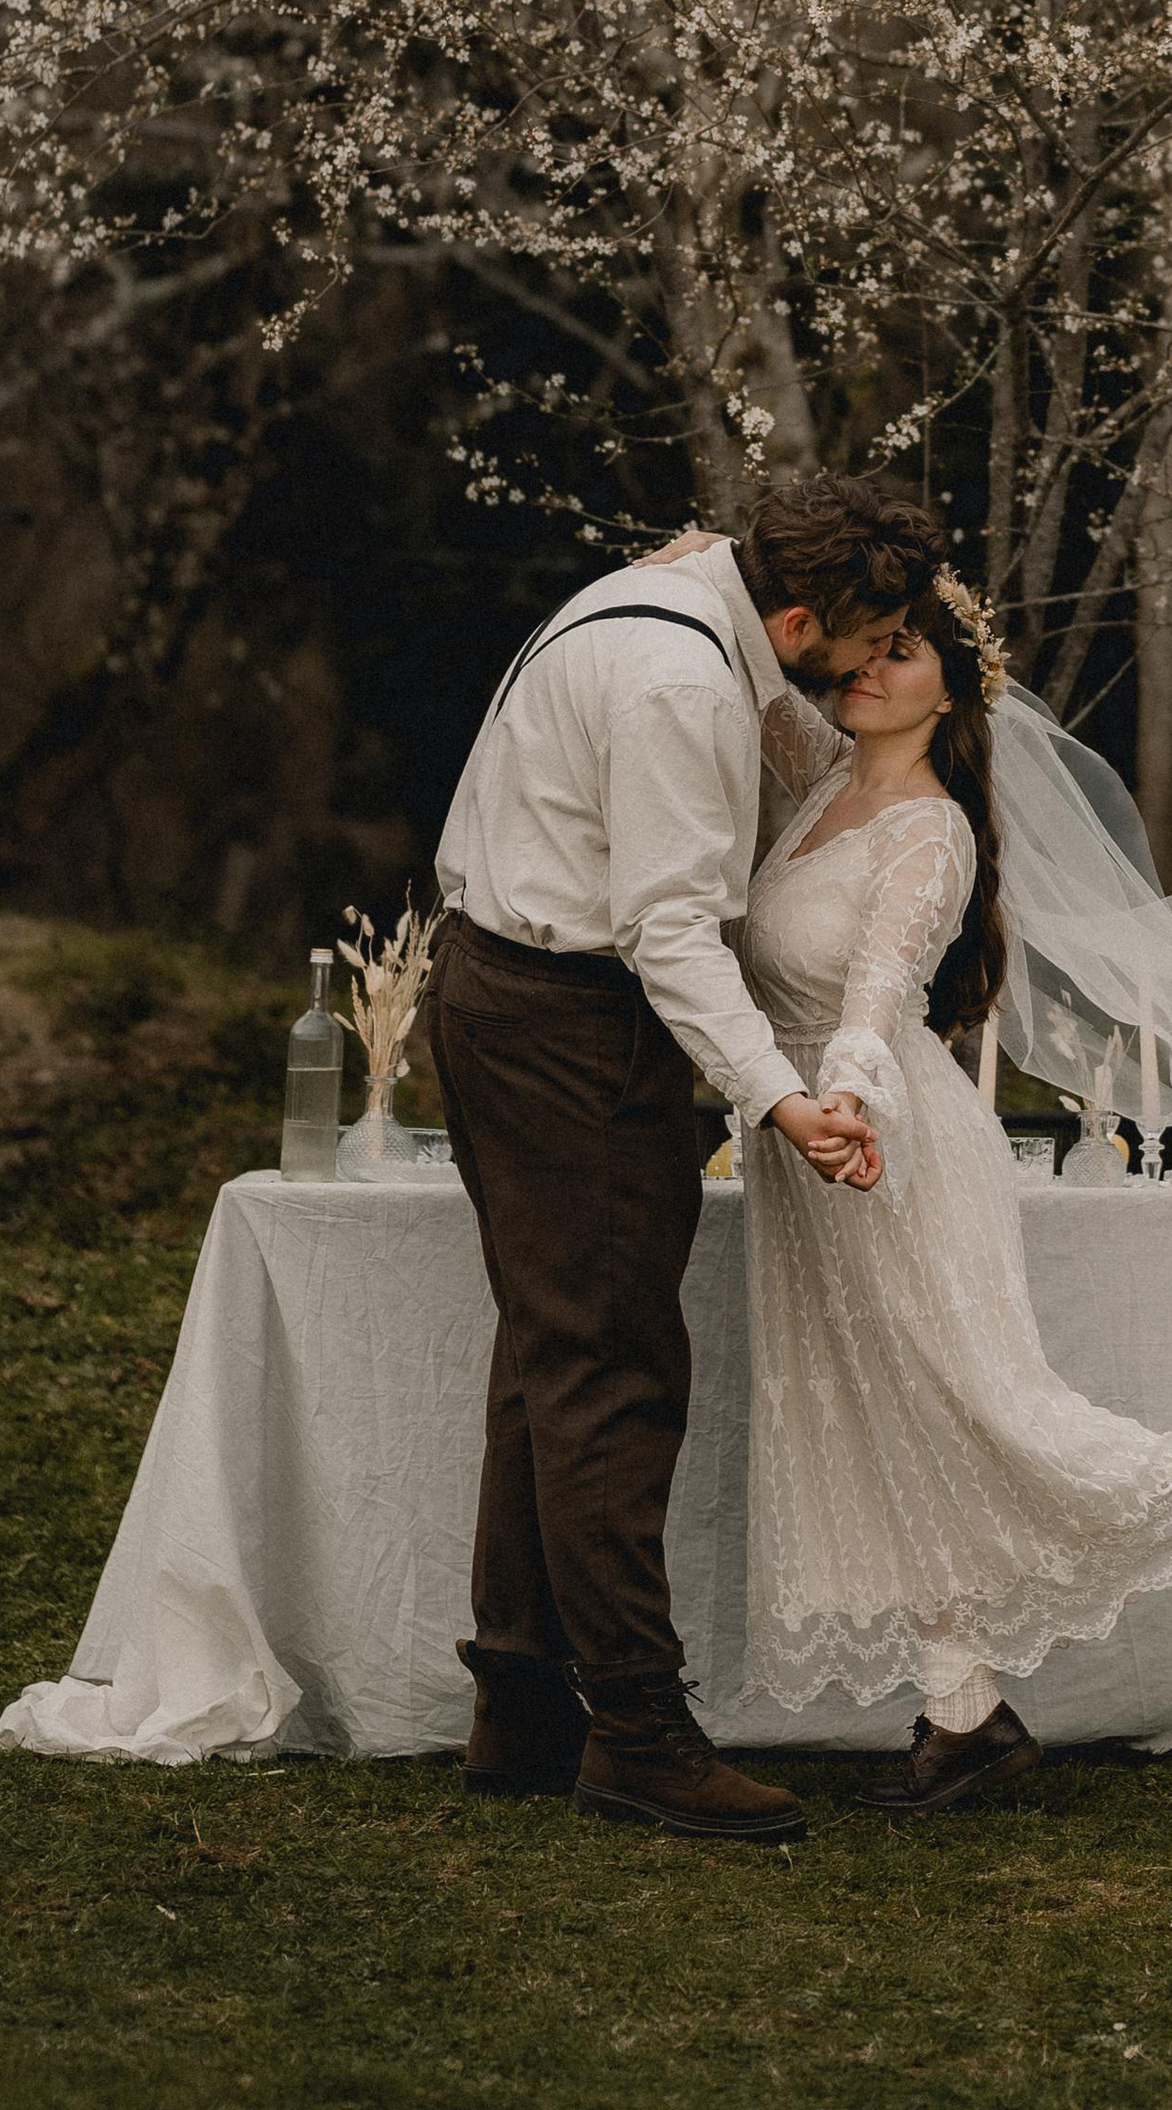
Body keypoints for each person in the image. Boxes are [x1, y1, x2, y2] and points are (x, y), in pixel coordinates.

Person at [734, 564, 1172, 1816]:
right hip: (805, 1146)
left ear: (952, 693)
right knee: (888, 1429)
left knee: (984, 1412)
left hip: (883, 1139)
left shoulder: (930, 831)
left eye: (903, 651)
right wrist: (704, 566)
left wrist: (842, 1103)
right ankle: (963, 1712)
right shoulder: (820, 777)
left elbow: (878, 993)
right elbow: (753, 670)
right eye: (866, 641)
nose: (869, 664)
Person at [425, 469, 944, 1846]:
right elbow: (668, 930)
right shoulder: (680, 683)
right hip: (567, 1022)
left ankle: (521, 1701)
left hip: (506, 990)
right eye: (856, 643)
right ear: (794, 617)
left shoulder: (678, 595)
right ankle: (639, 1734)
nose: (858, 671)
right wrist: (781, 1098)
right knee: (612, 1371)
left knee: (550, 1354)